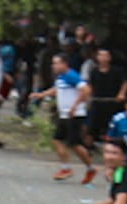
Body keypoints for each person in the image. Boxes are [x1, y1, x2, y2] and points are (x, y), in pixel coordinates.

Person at [31, 53, 93, 184]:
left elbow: (86, 90)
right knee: (57, 140)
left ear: (64, 64)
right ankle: (66, 168)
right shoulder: (61, 78)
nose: (53, 66)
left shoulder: (72, 75)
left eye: (56, 63)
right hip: (64, 114)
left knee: (74, 144)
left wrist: (75, 106)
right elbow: (56, 90)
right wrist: (41, 95)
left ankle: (90, 168)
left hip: (74, 115)